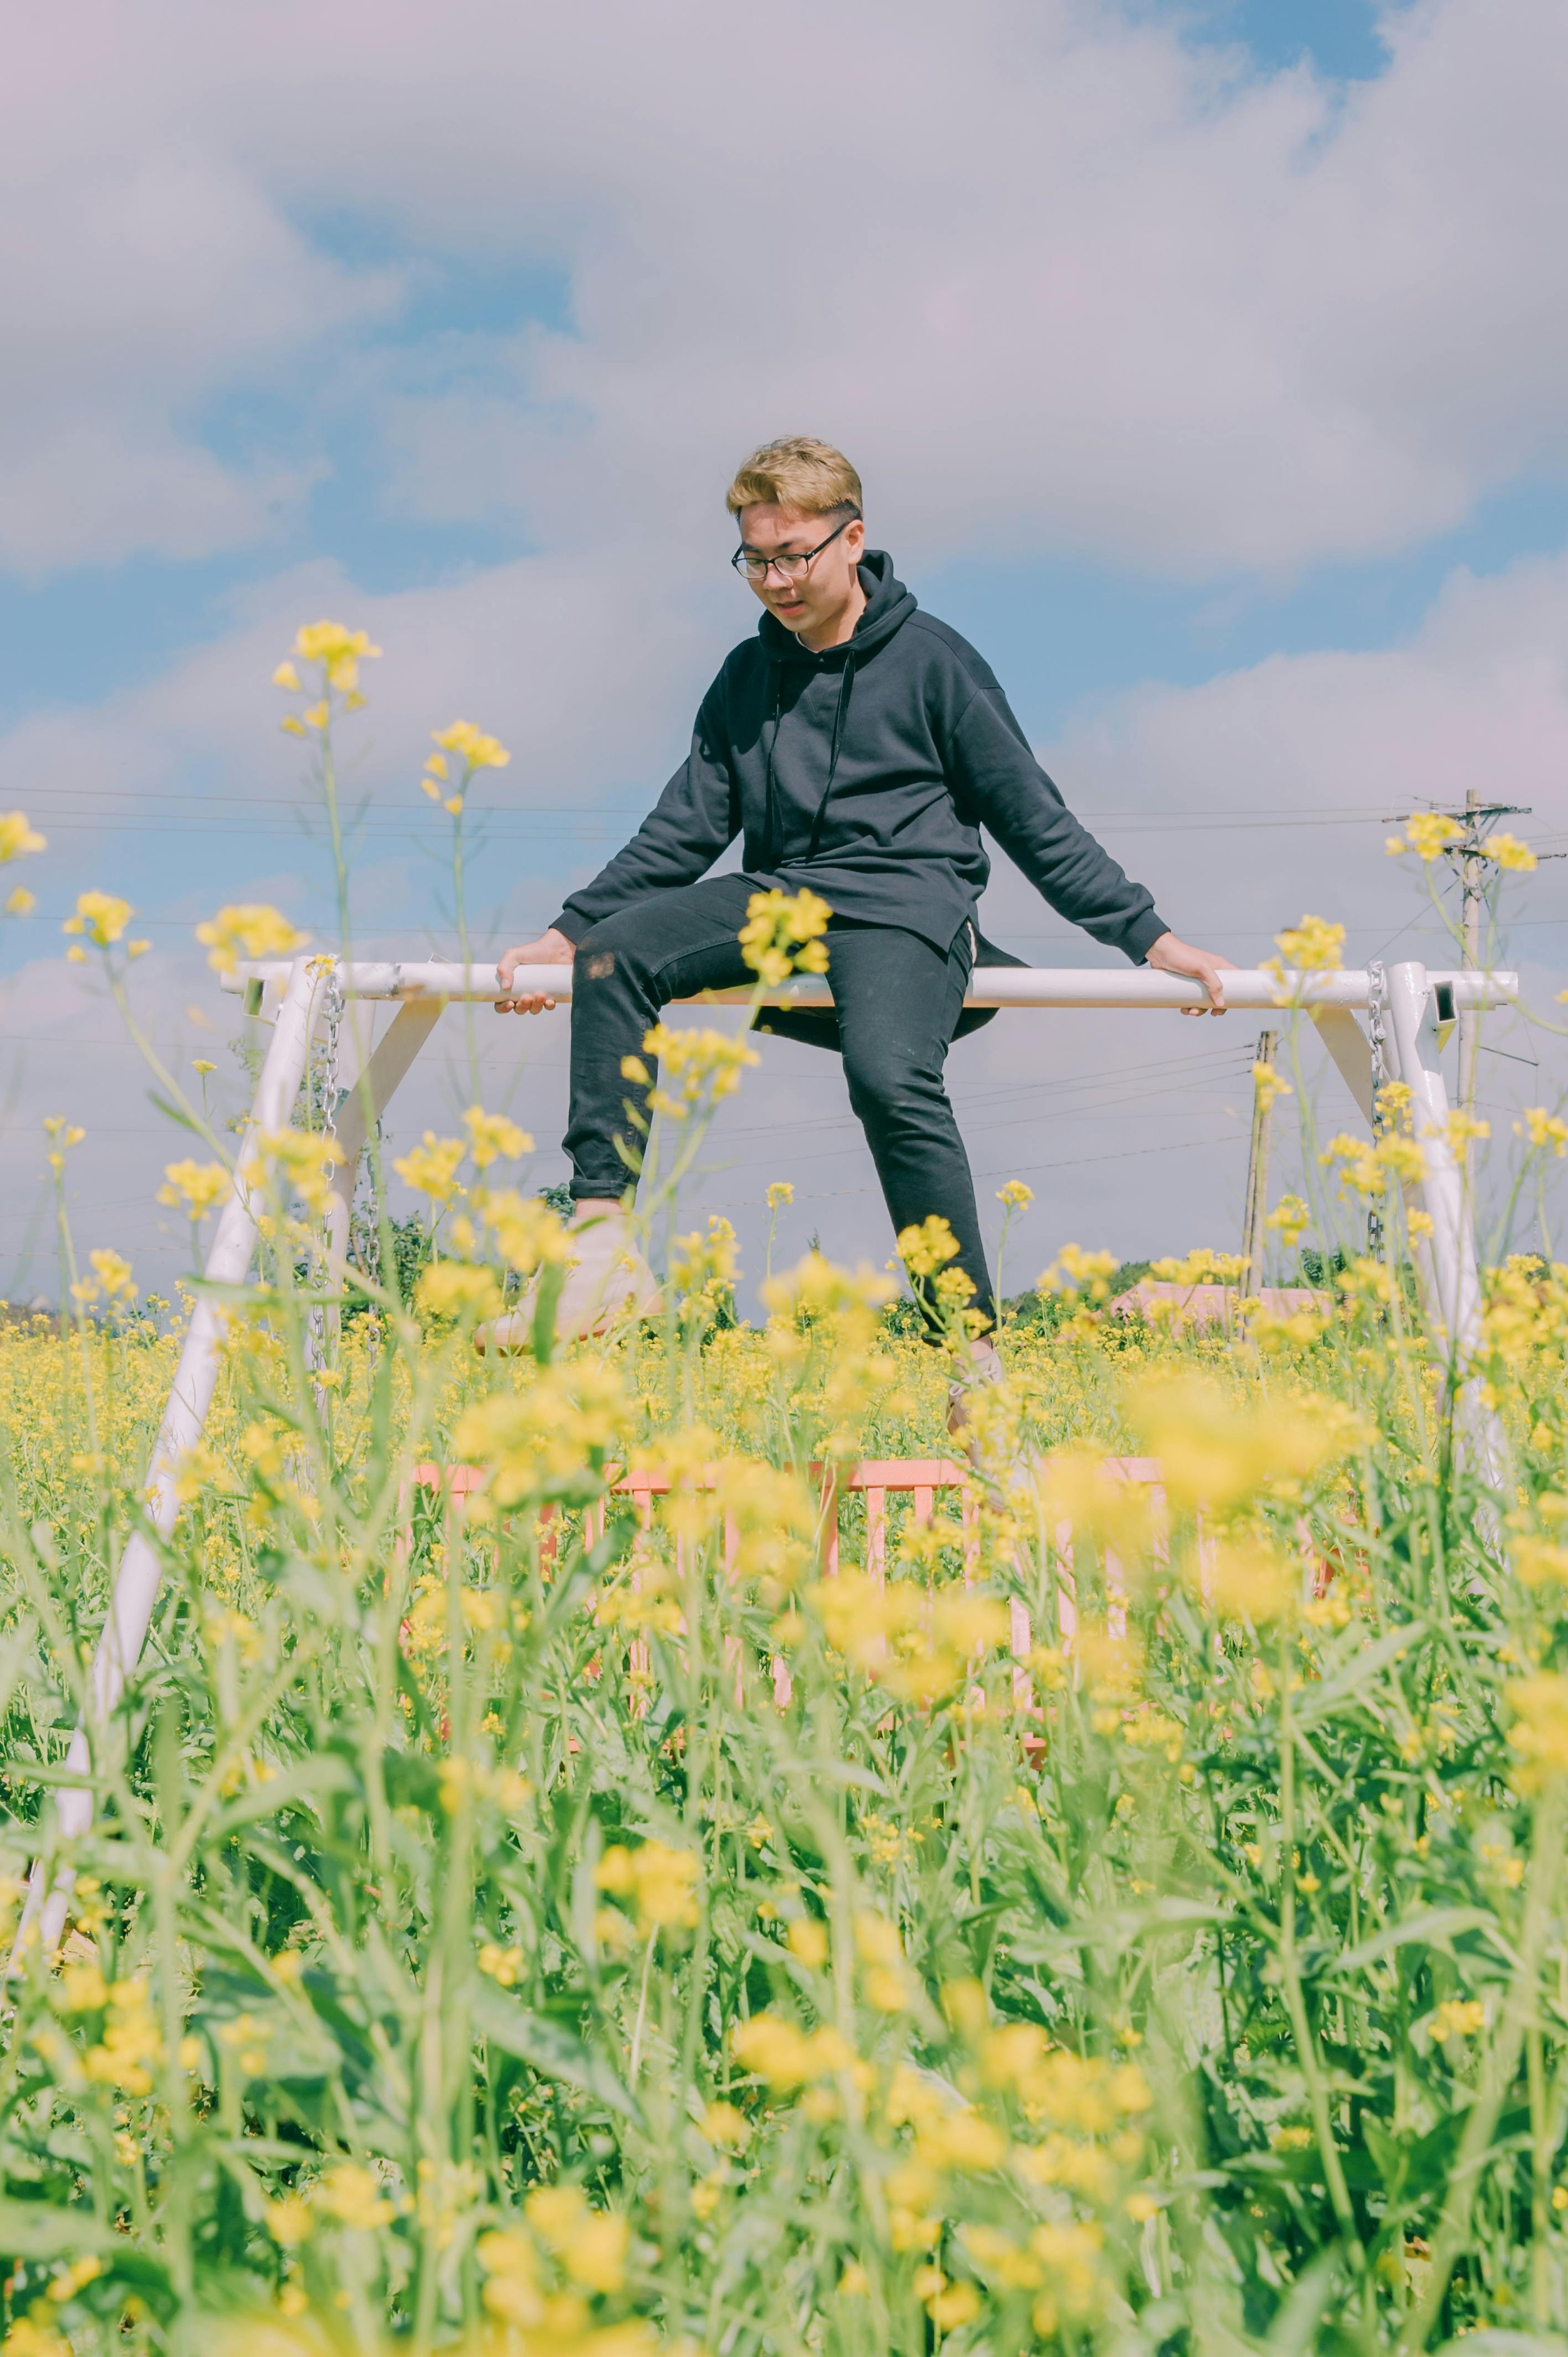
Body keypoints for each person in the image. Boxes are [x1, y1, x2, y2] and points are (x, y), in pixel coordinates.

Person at [491, 436, 1231, 1407]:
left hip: (908, 897)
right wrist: (571, 930)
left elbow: (1031, 817)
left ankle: (970, 1354)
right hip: (788, 892)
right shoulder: (744, 678)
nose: (775, 581)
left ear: (855, 540)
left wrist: (1149, 936)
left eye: (794, 555)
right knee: (617, 955)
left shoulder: (936, 664)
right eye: (755, 560)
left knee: (888, 1077)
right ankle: (598, 1252)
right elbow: (686, 825)